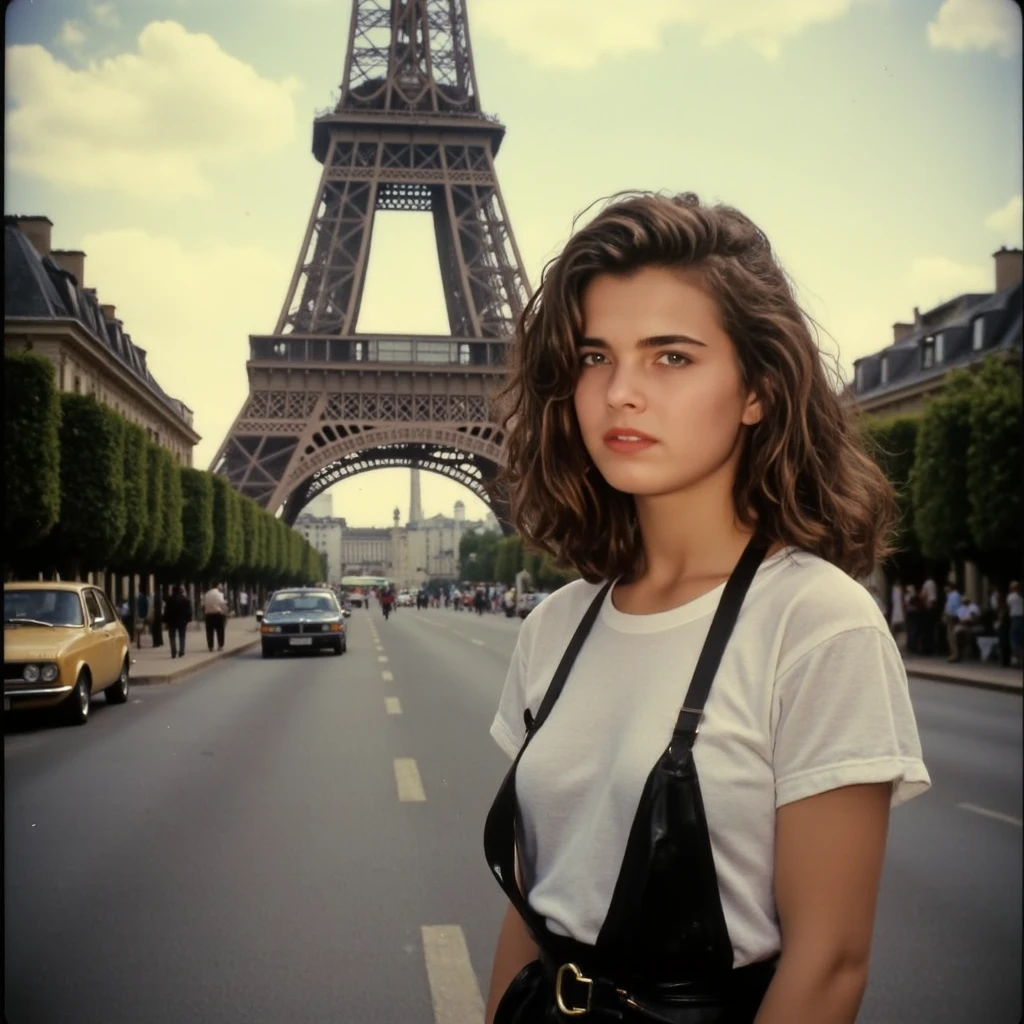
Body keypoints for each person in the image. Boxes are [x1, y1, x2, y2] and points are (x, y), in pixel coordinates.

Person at [482, 192, 930, 1024]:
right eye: (593, 357)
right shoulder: (556, 626)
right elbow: (532, 910)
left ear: (757, 390)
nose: (620, 393)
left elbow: (829, 966)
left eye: (671, 357)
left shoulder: (816, 623)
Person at [163, 585, 193, 659]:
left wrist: (165, 620)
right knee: (182, 636)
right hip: (182, 621)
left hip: (171, 621)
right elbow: (189, 611)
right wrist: (188, 619)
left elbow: (166, 611)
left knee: (172, 637)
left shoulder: (169, 600)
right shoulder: (186, 600)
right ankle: (181, 651)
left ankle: (173, 652)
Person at [202, 583, 228, 652]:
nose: (222, 587)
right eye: (221, 585)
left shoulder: (207, 594)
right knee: (220, 631)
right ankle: (220, 645)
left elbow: (204, 604)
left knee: (209, 632)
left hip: (208, 615)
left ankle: (210, 646)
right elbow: (222, 604)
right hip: (218, 614)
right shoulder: (219, 594)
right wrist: (225, 612)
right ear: (217, 586)